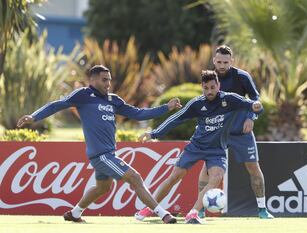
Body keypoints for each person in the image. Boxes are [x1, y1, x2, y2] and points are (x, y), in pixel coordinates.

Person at [17, 65, 182, 224]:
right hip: (101, 155)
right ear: (92, 79)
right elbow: (56, 105)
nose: (108, 84)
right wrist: (34, 116)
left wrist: (166, 107)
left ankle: (75, 213)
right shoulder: (83, 95)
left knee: (102, 188)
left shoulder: (113, 100)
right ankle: (163, 214)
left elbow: (138, 114)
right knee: (135, 178)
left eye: (109, 80)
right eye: (104, 80)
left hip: (109, 154)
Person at [134, 70, 263, 224]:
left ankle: (193, 213)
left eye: (212, 87)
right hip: (196, 147)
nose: (209, 91)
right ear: (202, 87)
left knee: (216, 177)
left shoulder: (229, 100)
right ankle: (150, 208)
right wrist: (153, 133)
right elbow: (175, 119)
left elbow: (252, 104)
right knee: (174, 177)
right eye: (206, 88)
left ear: (218, 86)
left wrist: (256, 107)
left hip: (217, 150)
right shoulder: (196, 104)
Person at [197, 45, 273, 219]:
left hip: (241, 132)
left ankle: (262, 210)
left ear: (232, 61)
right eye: (219, 62)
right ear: (214, 61)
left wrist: (250, 118)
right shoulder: (210, 78)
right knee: (207, 169)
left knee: (253, 167)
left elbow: (256, 99)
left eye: (225, 62)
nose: (222, 65)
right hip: (217, 133)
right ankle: (199, 208)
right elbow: (204, 102)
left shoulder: (242, 77)